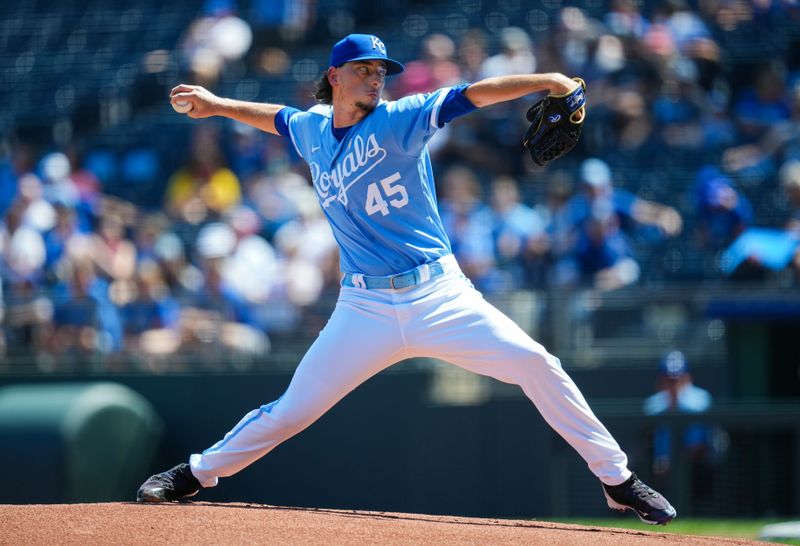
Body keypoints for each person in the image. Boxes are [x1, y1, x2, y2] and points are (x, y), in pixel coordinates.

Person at [137, 33, 676, 525]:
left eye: (381, 71)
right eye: (365, 69)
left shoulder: (400, 118)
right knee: (290, 413)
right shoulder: (311, 129)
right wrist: (216, 106)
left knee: (538, 364)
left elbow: (471, 94)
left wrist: (549, 81)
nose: (376, 78)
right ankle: (194, 474)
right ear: (335, 77)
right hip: (363, 309)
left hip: (439, 295)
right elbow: (276, 117)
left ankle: (618, 480)